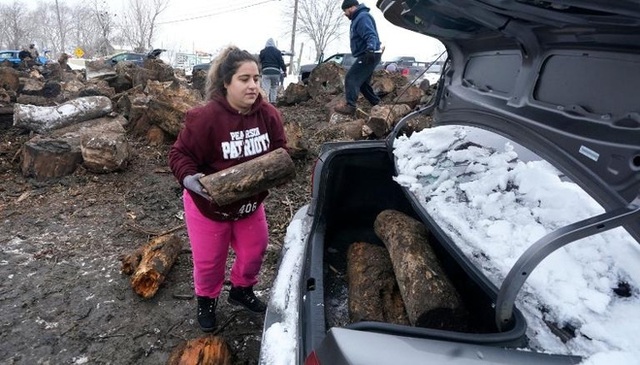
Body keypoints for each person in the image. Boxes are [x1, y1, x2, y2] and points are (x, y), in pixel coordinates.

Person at [168, 46, 288, 333]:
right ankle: (206, 300)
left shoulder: (268, 114)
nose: (253, 86)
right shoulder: (206, 117)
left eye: (256, 79)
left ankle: (241, 290)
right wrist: (189, 179)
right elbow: (179, 155)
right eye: (244, 79)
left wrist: (278, 169)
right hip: (208, 205)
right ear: (226, 83)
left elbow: (281, 149)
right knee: (210, 262)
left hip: (249, 205)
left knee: (255, 250)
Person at [334, 0, 383, 116]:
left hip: (369, 53)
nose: (345, 13)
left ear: (352, 7)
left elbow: (370, 34)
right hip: (369, 53)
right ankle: (378, 104)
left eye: (346, 10)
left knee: (351, 78)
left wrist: (370, 49)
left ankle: (350, 106)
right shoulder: (358, 18)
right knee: (363, 84)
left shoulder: (362, 17)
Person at [258, 38, 287, 104]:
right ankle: (273, 102)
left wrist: (259, 70)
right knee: (274, 87)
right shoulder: (278, 52)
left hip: (266, 71)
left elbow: (260, 61)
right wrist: (284, 70)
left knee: (266, 88)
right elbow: (281, 62)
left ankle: (266, 103)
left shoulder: (263, 52)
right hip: (276, 72)